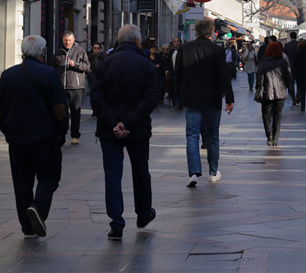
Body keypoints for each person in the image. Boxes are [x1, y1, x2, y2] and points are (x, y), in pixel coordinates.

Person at [90, 24, 159, 240]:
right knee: (140, 171)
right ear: (138, 41)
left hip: (109, 130)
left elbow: (96, 99)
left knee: (113, 175)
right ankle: (143, 213)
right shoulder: (146, 65)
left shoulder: (105, 63)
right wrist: (128, 123)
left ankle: (116, 223)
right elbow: (150, 99)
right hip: (137, 129)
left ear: (120, 41)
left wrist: (114, 123)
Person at [0, 35, 68, 239]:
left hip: (18, 139)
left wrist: (8, 131)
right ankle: (38, 207)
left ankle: (27, 228)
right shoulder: (50, 74)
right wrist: (61, 132)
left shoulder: (8, 75)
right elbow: (60, 109)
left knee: (22, 183)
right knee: (49, 176)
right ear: (42, 52)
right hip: (45, 138)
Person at [174, 19, 235, 187]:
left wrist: (179, 94)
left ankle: (193, 173)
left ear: (196, 32)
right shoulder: (218, 50)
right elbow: (224, 76)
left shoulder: (185, 49)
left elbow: (178, 73)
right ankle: (213, 173)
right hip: (212, 99)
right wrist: (229, 99)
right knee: (213, 136)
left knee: (192, 135)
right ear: (212, 33)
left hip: (191, 99)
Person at [53, 31, 89, 145]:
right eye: (65, 40)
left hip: (76, 87)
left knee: (75, 112)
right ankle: (61, 135)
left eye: (69, 40)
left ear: (73, 40)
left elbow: (87, 66)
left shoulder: (80, 51)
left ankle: (75, 135)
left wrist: (76, 64)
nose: (67, 42)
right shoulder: (58, 53)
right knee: (61, 112)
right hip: (61, 87)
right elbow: (53, 69)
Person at [256, 43, 294, 145]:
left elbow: (259, 76)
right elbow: (289, 76)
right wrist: (285, 86)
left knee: (266, 114)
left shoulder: (263, 62)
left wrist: (258, 88)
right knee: (277, 115)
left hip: (266, 91)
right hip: (280, 92)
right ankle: (276, 138)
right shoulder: (283, 62)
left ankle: (269, 135)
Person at [283, 32, 300, 105]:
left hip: (289, 65)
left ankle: (293, 99)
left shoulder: (287, 45)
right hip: (298, 66)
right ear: (296, 36)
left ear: (290, 37)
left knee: (291, 83)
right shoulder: (299, 44)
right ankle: (298, 94)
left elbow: (284, 56)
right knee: (299, 82)